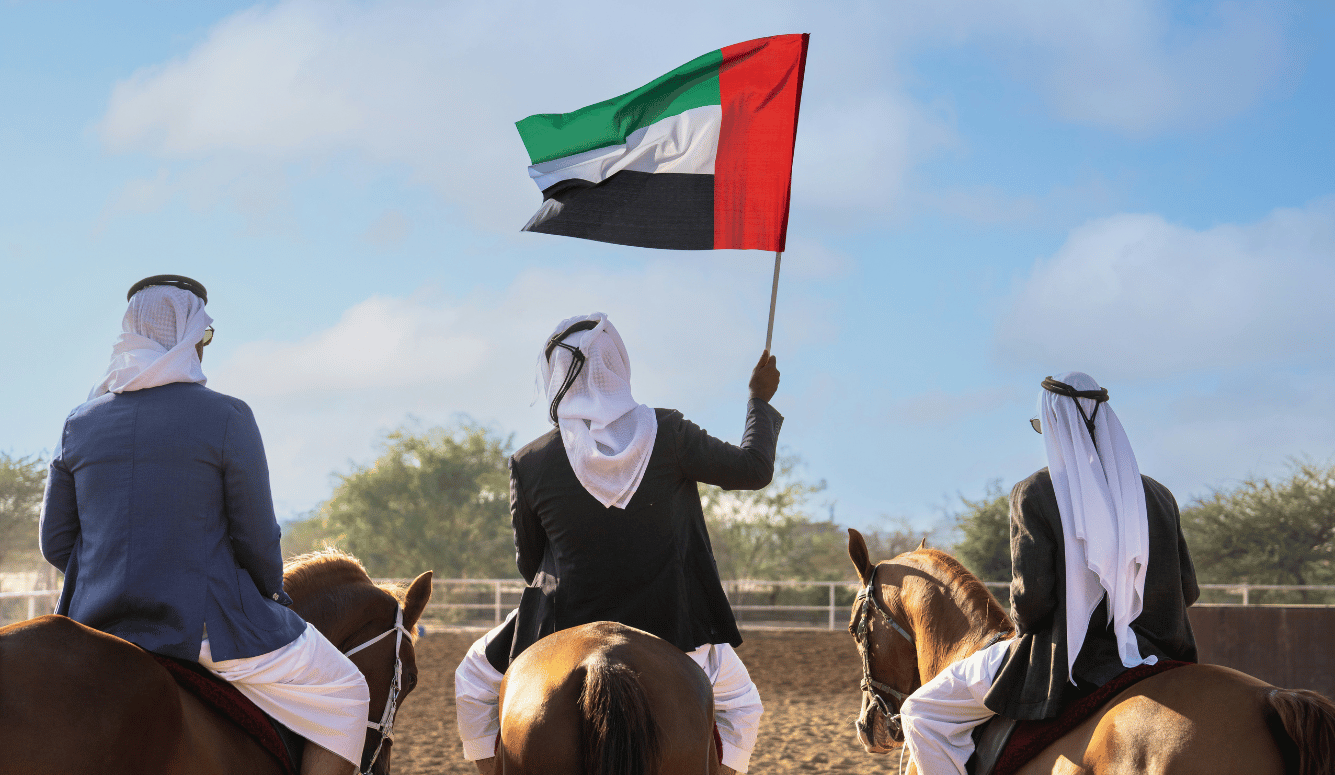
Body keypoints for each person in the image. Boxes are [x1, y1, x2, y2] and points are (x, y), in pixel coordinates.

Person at [39, 276, 371, 775]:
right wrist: (270, 593)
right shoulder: (228, 416)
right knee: (347, 692)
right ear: (191, 336)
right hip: (205, 628)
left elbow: (55, 541)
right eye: (205, 336)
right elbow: (256, 537)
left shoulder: (79, 422)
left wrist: (111, 576)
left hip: (95, 624)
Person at [455, 313, 780, 775]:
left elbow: (530, 565)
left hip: (559, 626)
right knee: (742, 707)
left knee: (471, 678)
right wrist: (758, 400)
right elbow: (754, 469)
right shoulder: (670, 433)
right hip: (674, 626)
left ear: (555, 377)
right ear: (618, 366)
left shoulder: (530, 460)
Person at [897, 371, 1199, 775]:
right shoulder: (1160, 496)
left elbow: (1032, 605)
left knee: (920, 712)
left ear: (1054, 424)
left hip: (1066, 659)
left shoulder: (1035, 492)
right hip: (1156, 654)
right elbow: (1188, 591)